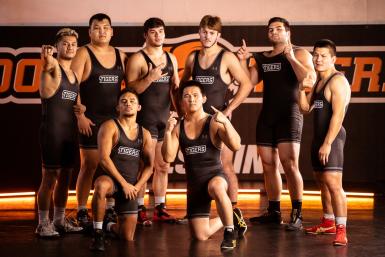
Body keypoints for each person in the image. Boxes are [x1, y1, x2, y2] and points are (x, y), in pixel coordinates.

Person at [237, 17, 316, 230]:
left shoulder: (300, 53)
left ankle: (297, 213)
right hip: (267, 116)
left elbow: (308, 79)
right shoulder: (262, 58)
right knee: (268, 165)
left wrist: (290, 58)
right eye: (270, 29)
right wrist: (244, 61)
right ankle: (274, 211)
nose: (273, 32)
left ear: (288, 32)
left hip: (289, 115)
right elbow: (248, 82)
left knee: (290, 165)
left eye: (278, 29)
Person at [181, 15, 252, 233]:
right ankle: (197, 210)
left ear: (218, 36)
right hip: (196, 120)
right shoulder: (192, 57)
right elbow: (183, 86)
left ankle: (233, 210)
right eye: (203, 31)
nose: (207, 36)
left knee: (225, 166)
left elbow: (247, 84)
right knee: (195, 168)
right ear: (199, 32)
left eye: (211, 33)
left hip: (217, 121)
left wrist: (229, 109)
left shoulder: (226, 57)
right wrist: (182, 112)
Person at [162, 81, 243, 250]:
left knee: (217, 187)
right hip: (195, 186)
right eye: (186, 96)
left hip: (215, 177)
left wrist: (227, 123)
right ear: (182, 101)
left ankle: (229, 232)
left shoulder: (213, 122)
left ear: (204, 98)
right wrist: (168, 133)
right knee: (200, 236)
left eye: (195, 95)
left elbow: (236, 145)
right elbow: (168, 157)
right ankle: (231, 217)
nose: (191, 99)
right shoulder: (178, 128)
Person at [71, 13, 127, 226]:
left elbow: (131, 87)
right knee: (89, 165)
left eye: (106, 28)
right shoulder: (83, 53)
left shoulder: (121, 55)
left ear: (112, 31)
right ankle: (82, 210)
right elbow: (71, 85)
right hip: (91, 119)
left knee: (112, 166)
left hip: (114, 122)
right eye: (97, 28)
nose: (102, 31)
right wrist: (80, 116)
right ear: (90, 32)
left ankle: (110, 208)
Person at [125, 17, 179, 225]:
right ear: (145, 35)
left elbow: (174, 89)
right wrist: (149, 78)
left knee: (163, 165)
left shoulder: (171, 58)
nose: (158, 36)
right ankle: (138, 208)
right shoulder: (138, 59)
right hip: (144, 119)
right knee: (144, 165)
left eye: (161, 32)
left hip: (163, 118)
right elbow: (129, 92)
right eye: (154, 32)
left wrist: (178, 112)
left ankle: (160, 208)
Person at [298, 39, 350, 246]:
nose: (318, 59)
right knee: (321, 181)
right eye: (316, 55)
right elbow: (304, 109)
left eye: (323, 56)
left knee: (334, 184)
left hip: (332, 138)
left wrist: (328, 143)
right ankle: (328, 222)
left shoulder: (337, 81)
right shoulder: (319, 81)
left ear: (333, 59)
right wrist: (302, 89)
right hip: (318, 138)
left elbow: (338, 116)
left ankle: (341, 230)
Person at [90, 88, 154, 251]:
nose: (128, 104)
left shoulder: (144, 134)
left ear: (139, 107)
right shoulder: (110, 126)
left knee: (126, 237)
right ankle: (97, 233)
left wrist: (137, 186)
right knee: (101, 186)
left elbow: (149, 166)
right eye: (123, 101)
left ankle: (108, 225)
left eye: (132, 101)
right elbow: (104, 159)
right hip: (112, 181)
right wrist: (123, 183)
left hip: (130, 187)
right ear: (117, 107)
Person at [36, 28, 83, 237]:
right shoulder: (52, 68)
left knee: (66, 177)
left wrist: (81, 111)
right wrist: (47, 56)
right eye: (65, 43)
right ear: (57, 47)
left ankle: (59, 220)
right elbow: (49, 62)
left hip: (69, 133)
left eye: (73, 44)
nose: (70, 47)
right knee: (50, 177)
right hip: (52, 132)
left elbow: (73, 104)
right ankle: (43, 223)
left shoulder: (74, 75)